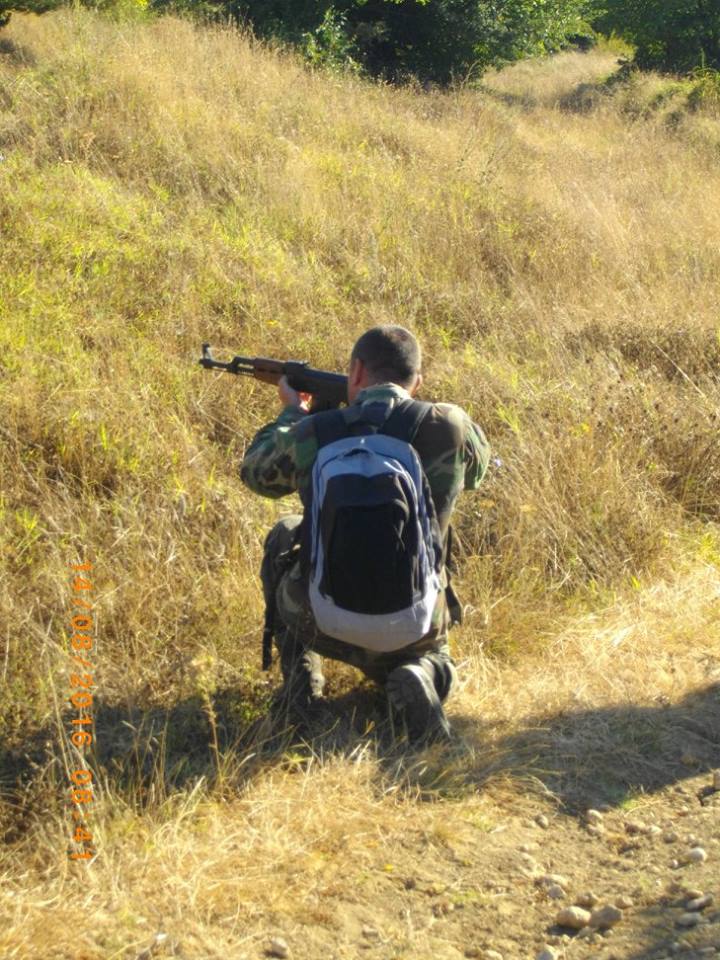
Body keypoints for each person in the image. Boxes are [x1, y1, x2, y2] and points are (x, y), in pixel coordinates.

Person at [240, 325, 490, 743]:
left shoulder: (315, 432)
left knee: (283, 532)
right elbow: (477, 474)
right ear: (418, 382)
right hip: (416, 622)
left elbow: (255, 473)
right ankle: (420, 673)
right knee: (437, 657)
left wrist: (294, 414)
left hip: (320, 620)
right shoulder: (451, 424)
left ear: (356, 371)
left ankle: (300, 690)